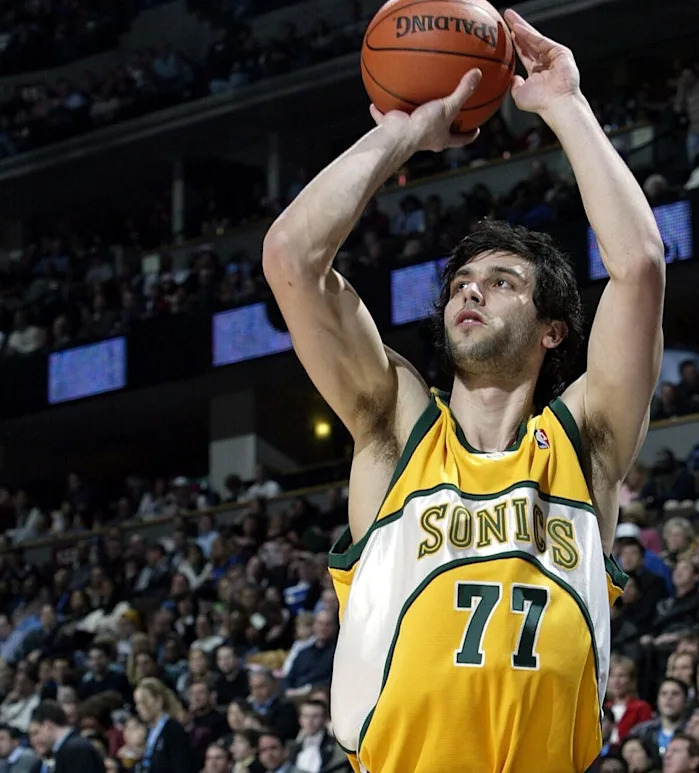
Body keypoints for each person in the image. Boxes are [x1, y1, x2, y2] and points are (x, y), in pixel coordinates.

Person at [263, 10, 665, 773]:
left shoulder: (585, 442)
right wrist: (402, 135)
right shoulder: (395, 424)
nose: (471, 293)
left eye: (503, 282)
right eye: (461, 283)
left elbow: (640, 264)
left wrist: (565, 105)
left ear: (552, 329)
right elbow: (291, 257)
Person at [133, 677, 194, 772]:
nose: (138, 708)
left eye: (143, 702)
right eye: (137, 703)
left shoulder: (173, 730)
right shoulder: (149, 731)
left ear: (158, 701)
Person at [28, 700, 105, 772]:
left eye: (35, 733)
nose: (33, 741)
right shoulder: (46, 759)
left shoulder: (77, 749)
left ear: (47, 725)